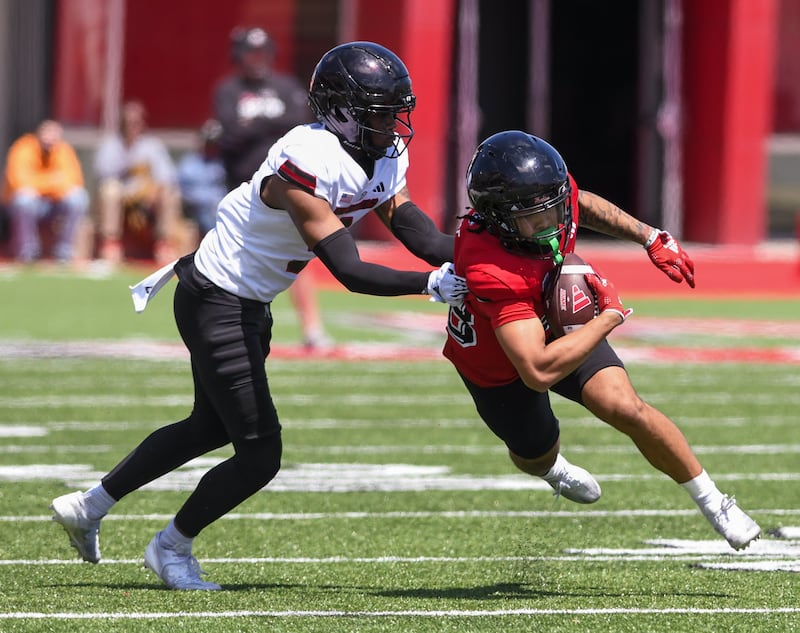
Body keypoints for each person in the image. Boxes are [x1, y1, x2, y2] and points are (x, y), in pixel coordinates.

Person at [50, 41, 467, 590]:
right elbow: (348, 268)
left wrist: (471, 255)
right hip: (218, 297)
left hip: (243, 301)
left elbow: (413, 227)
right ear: (341, 110)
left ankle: (89, 505)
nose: (393, 125)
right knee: (260, 453)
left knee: (208, 426)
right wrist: (433, 285)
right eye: (380, 112)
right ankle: (170, 547)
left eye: (396, 111)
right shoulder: (307, 158)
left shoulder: (380, 152)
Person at [442, 130, 761, 550]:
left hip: (555, 318)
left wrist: (649, 236)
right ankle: (553, 470)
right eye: (534, 219)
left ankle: (713, 501)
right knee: (533, 453)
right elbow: (536, 370)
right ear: (498, 217)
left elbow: (580, 203)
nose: (552, 224)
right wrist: (609, 316)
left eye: (552, 209)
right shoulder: (490, 268)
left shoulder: (549, 197)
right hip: (497, 359)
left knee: (624, 406)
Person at [213, 26, 332, 350]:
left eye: (262, 52)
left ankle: (312, 328)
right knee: (233, 261)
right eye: (251, 53)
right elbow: (228, 134)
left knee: (299, 254)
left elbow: (300, 120)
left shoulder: (284, 85)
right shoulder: (228, 89)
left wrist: (256, 126)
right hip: (242, 189)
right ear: (238, 55)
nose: (257, 59)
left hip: (287, 187)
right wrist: (268, 124)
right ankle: (226, 327)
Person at [93, 100, 184, 264]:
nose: (132, 126)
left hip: (148, 198)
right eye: (128, 122)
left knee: (170, 192)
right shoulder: (111, 144)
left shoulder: (152, 145)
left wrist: (150, 189)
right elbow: (103, 175)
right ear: (121, 123)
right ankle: (111, 244)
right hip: (121, 198)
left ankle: (165, 245)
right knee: (110, 190)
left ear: (142, 123)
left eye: (136, 122)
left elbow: (167, 176)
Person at [2, 119, 89, 263]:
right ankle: (27, 251)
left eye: (54, 136)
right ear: (38, 134)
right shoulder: (23, 148)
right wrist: (54, 181)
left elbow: (74, 180)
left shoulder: (64, 150)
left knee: (79, 198)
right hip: (31, 205)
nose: (50, 140)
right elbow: (19, 182)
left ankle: (64, 251)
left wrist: (39, 183)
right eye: (46, 135)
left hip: (54, 203)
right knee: (24, 200)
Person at [176, 119, 227, 237]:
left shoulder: (224, 163)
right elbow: (181, 191)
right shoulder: (189, 164)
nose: (211, 147)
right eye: (208, 143)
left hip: (221, 207)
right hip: (197, 210)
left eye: (214, 143)